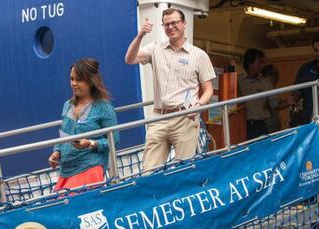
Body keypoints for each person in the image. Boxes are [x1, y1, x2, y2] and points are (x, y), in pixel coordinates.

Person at [124, 8, 216, 171]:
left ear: (184, 24)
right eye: (166, 24)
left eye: (174, 23)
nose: (170, 27)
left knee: (184, 169)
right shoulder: (155, 48)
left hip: (185, 118)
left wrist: (199, 105)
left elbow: (208, 90)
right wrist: (140, 35)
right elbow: (129, 59)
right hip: (158, 117)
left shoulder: (199, 55)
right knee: (148, 171)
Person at [48, 58, 119, 192]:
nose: (73, 83)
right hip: (66, 171)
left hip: (90, 167)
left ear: (91, 81)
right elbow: (64, 134)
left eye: (78, 80)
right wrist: (57, 152)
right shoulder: (67, 105)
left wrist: (90, 143)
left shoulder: (104, 107)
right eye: (71, 79)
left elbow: (114, 141)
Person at [238, 49, 279, 140]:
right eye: (259, 62)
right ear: (250, 63)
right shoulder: (238, 81)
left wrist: (289, 102)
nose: (262, 66)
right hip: (242, 126)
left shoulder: (265, 83)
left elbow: (275, 105)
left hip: (260, 126)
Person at [290, 34, 319, 127]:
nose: (318, 54)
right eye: (316, 50)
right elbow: (297, 90)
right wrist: (295, 97)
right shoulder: (306, 68)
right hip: (309, 118)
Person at [262, 64, 281, 133]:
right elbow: (275, 106)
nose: (277, 81)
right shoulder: (266, 86)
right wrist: (289, 101)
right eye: (276, 78)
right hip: (268, 126)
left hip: (272, 126)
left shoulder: (267, 87)